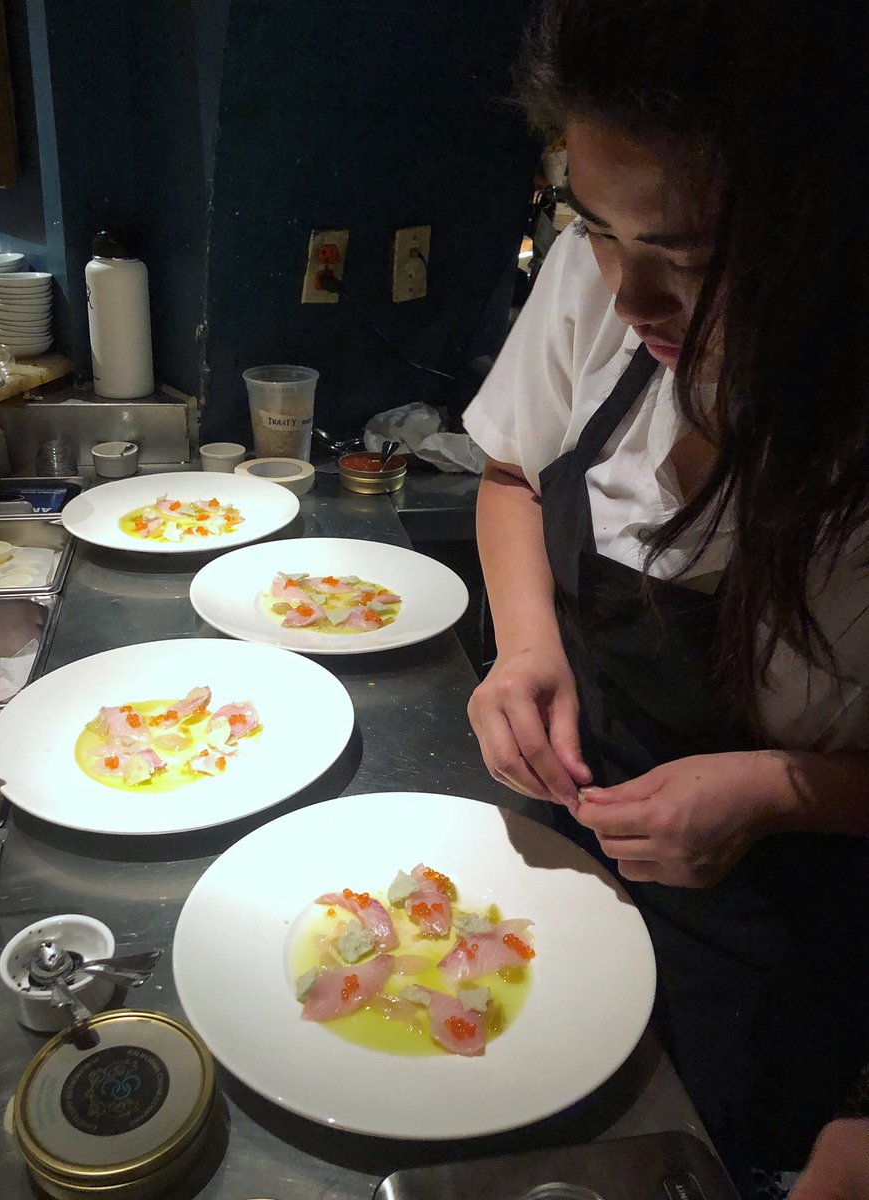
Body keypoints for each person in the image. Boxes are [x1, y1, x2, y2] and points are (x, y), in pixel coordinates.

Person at [462, 1, 869, 1195]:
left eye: (685, 256)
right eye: (593, 227)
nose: (624, 293)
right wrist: (522, 647)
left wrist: (781, 793)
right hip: (570, 862)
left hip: (782, 949)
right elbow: (506, 473)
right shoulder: (609, 279)